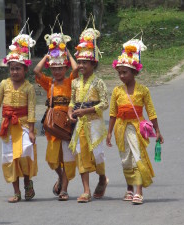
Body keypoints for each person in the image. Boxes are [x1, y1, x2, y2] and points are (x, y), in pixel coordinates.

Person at [106, 39, 164, 204]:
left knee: (137, 156)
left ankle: (139, 190)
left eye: (125, 72)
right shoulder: (117, 91)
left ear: (134, 72)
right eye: (120, 73)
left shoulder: (143, 90)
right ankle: (129, 188)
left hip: (137, 129)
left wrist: (158, 130)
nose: (122, 76)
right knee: (126, 159)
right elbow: (112, 113)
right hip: (120, 128)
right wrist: (109, 132)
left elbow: (151, 112)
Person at [0, 31, 37, 203]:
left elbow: (31, 110)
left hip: (22, 126)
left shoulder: (29, 87)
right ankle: (16, 192)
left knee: (24, 153)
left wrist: (31, 130)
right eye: (12, 68)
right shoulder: (3, 84)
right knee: (9, 158)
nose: (14, 72)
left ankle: (28, 183)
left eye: (18, 68)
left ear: (25, 69)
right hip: (7, 127)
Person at [34, 30, 78, 201]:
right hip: (52, 125)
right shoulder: (49, 83)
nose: (57, 71)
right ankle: (60, 177)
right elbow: (37, 72)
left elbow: (76, 70)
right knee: (52, 160)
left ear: (65, 68)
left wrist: (67, 53)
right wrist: (47, 55)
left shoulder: (69, 81)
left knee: (67, 157)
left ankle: (64, 189)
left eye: (60, 68)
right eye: (54, 68)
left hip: (67, 122)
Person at [68, 25, 109, 203]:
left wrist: (87, 110)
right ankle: (86, 190)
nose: (82, 66)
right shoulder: (75, 83)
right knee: (81, 154)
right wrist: (71, 111)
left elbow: (105, 103)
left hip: (95, 124)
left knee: (97, 155)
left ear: (94, 64)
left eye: (85, 62)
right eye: (80, 62)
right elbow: (71, 101)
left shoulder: (99, 82)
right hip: (81, 125)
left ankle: (102, 177)